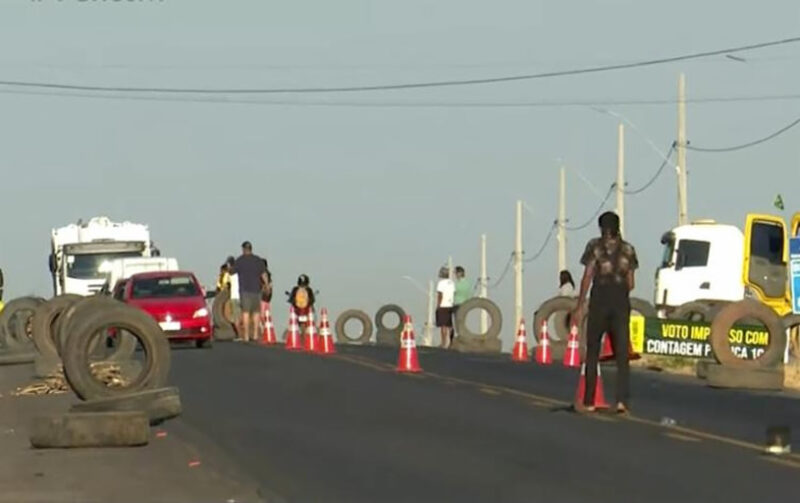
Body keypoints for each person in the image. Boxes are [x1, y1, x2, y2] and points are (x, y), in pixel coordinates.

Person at [573, 211, 638, 415]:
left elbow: (587, 276)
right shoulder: (628, 249)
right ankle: (622, 401)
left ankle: (590, 400)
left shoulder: (595, 247)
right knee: (621, 354)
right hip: (620, 301)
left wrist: (580, 303)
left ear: (602, 228)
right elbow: (631, 282)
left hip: (600, 299)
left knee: (593, 350)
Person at [232, 241, 269, 343]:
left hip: (245, 290)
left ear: (244, 249)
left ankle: (247, 336)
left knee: (246, 312)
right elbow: (264, 274)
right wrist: (266, 285)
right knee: (256, 312)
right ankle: (256, 334)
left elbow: (232, 272)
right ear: (251, 249)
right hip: (256, 290)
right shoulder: (258, 260)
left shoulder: (239, 260)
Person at [435, 267, 456, 349]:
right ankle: (451, 342)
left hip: (443, 305)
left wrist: (438, 305)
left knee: (443, 325)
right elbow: (453, 293)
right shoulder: (452, 283)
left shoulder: (441, 283)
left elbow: (440, 295)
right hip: (451, 305)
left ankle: (443, 343)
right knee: (450, 325)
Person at [452, 266, 472, 338]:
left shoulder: (457, 284)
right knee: (462, 321)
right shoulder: (468, 284)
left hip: (457, 304)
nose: (455, 275)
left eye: (456, 273)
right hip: (465, 305)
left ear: (460, 273)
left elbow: (453, 293)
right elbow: (470, 295)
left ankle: (460, 335)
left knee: (457, 321)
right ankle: (462, 335)